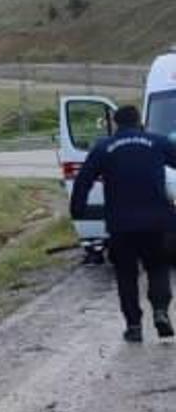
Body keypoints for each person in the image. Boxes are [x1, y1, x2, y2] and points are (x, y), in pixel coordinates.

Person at [71, 104, 176, 342]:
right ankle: (160, 311)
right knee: (158, 267)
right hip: (157, 221)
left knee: (126, 275)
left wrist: (77, 210)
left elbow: (83, 180)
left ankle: (134, 326)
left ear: (116, 124)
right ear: (140, 121)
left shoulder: (104, 147)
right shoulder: (158, 142)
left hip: (121, 225)